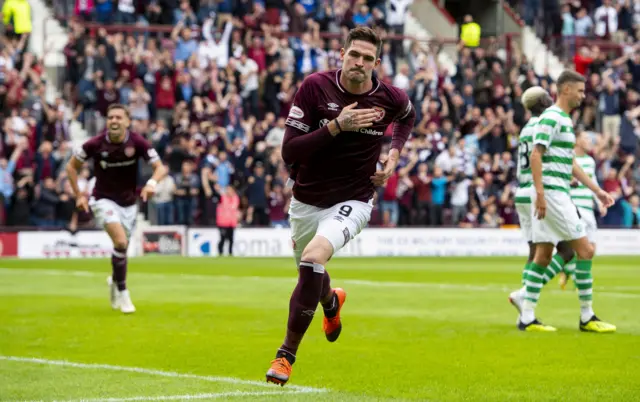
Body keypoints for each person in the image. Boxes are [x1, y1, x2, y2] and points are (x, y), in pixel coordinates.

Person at [265, 26, 416, 386]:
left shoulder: (389, 97)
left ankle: (285, 356)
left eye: (368, 58)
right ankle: (331, 302)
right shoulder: (315, 87)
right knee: (309, 269)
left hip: (354, 200)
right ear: (342, 54)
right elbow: (289, 152)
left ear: (376, 63)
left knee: (313, 258)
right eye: (354, 55)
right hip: (305, 200)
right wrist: (336, 126)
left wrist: (394, 155)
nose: (359, 63)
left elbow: (408, 116)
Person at [520, 71, 615, 333]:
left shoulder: (562, 119)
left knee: (542, 256)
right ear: (565, 90)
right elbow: (536, 156)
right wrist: (540, 194)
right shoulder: (552, 117)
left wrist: (597, 190)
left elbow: (570, 163)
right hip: (552, 193)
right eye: (580, 91)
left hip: (551, 192)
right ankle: (587, 316)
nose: (583, 96)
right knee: (585, 250)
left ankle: (526, 316)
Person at [65, 104, 167, 314]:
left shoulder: (137, 142)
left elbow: (160, 168)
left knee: (121, 249)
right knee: (120, 242)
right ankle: (123, 292)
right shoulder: (95, 144)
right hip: (102, 200)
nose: (113, 121)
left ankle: (114, 281)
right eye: (110, 117)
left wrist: (151, 184)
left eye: (119, 118)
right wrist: (78, 195)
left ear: (128, 122)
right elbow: (71, 167)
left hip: (129, 204)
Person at [508, 86, 575, 321]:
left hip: (522, 192)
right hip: (540, 192)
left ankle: (524, 310)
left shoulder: (526, 128)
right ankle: (525, 295)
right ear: (545, 101)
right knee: (569, 249)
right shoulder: (546, 124)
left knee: (534, 251)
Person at [558, 130, 606, 289]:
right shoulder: (567, 158)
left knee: (591, 247)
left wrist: (599, 202)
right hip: (574, 206)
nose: (589, 141)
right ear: (577, 140)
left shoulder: (590, 161)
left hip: (588, 207)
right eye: (586, 138)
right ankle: (580, 279)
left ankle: (575, 273)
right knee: (579, 246)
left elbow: (593, 182)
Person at [216, 186, 239, 256]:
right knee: (222, 239)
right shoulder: (222, 197)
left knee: (231, 239)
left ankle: (230, 253)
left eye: (230, 190)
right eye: (227, 190)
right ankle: (220, 253)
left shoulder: (236, 198)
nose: (228, 191)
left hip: (232, 222)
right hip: (222, 222)